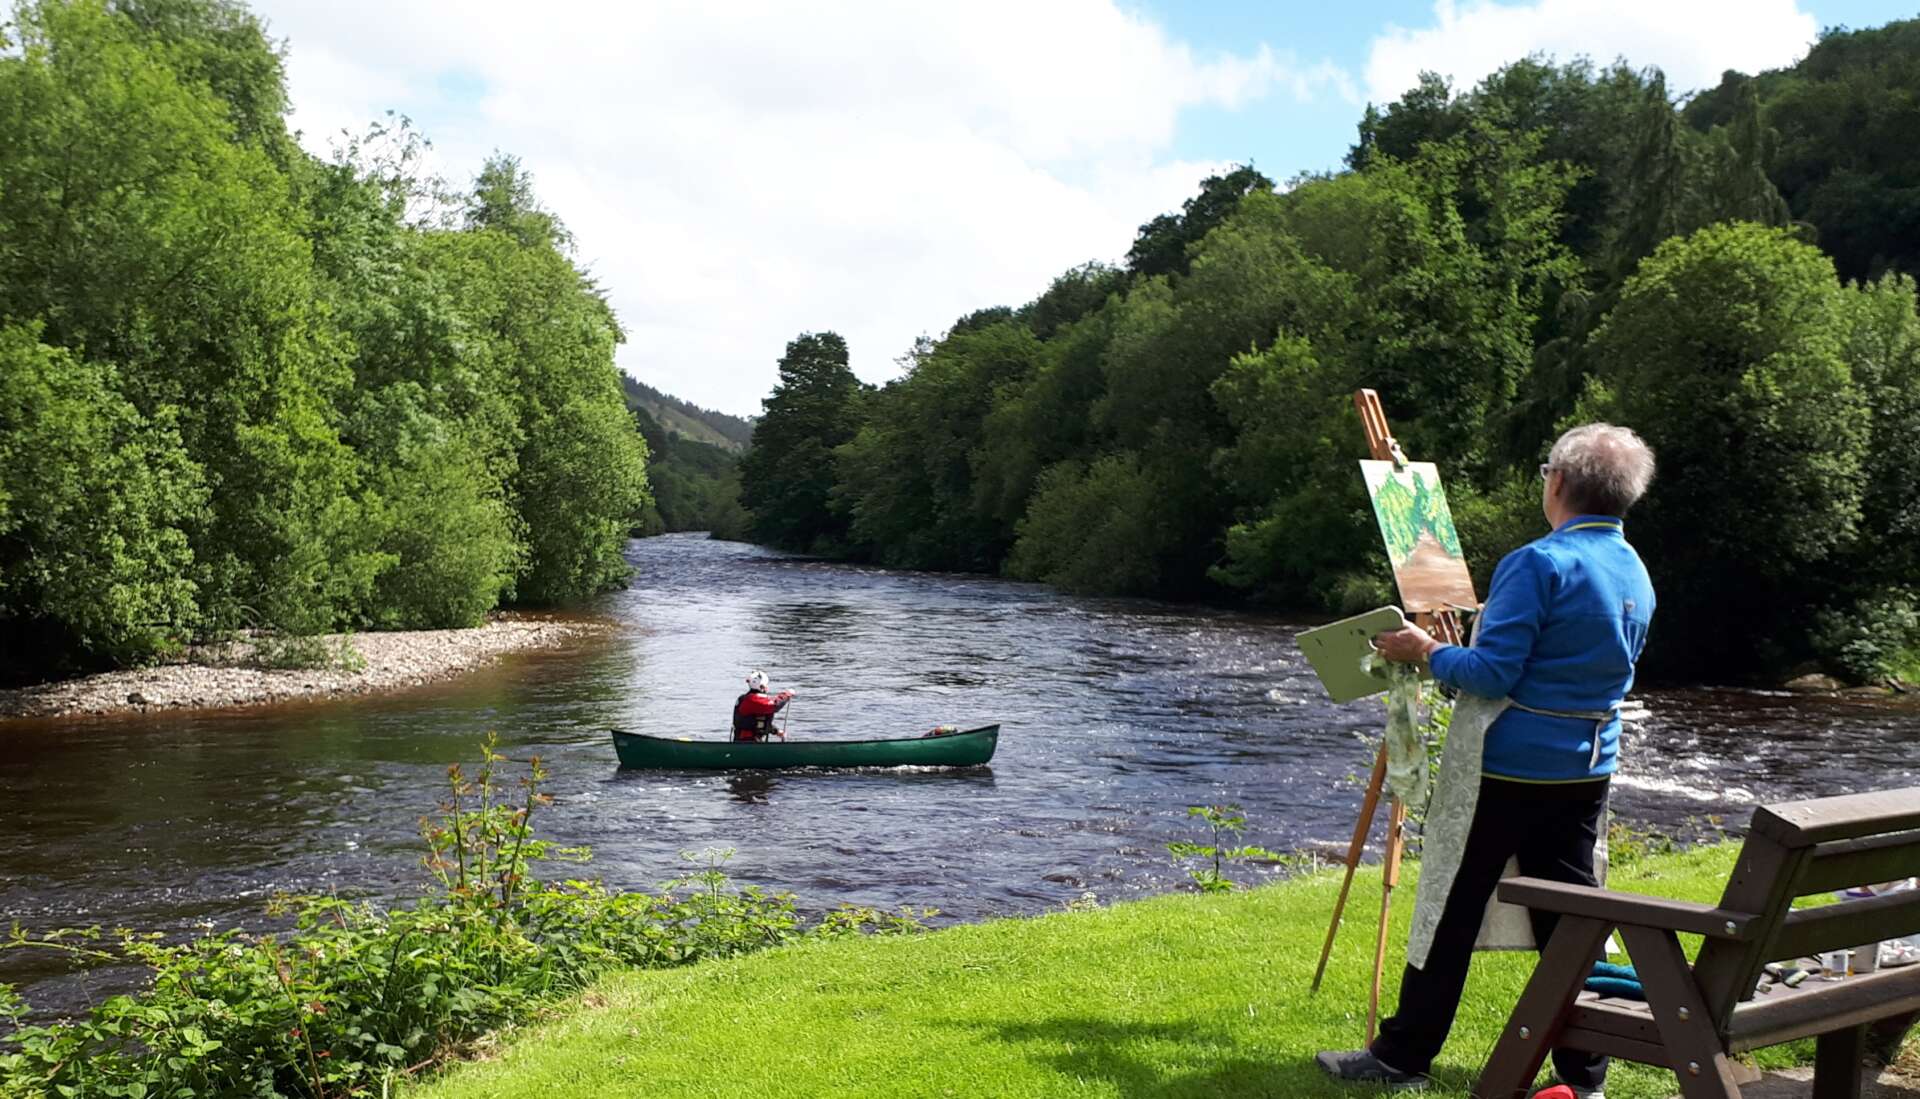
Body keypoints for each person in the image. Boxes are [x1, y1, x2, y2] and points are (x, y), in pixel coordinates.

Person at [1317, 424, 1657, 1096]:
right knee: (1570, 921)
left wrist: (1426, 650)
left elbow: (1494, 674)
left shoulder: (1540, 562)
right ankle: (1585, 1072)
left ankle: (1402, 1055)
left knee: (1450, 906)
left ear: (1556, 481)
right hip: (1586, 768)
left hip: (1508, 770)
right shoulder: (1633, 565)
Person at [732, 670, 794, 742]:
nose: (767, 687)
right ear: (762, 686)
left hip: (752, 740)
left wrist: (776, 731)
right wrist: (786, 694)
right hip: (747, 742)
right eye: (766, 685)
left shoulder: (749, 699)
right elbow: (775, 705)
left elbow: (758, 722)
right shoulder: (752, 700)